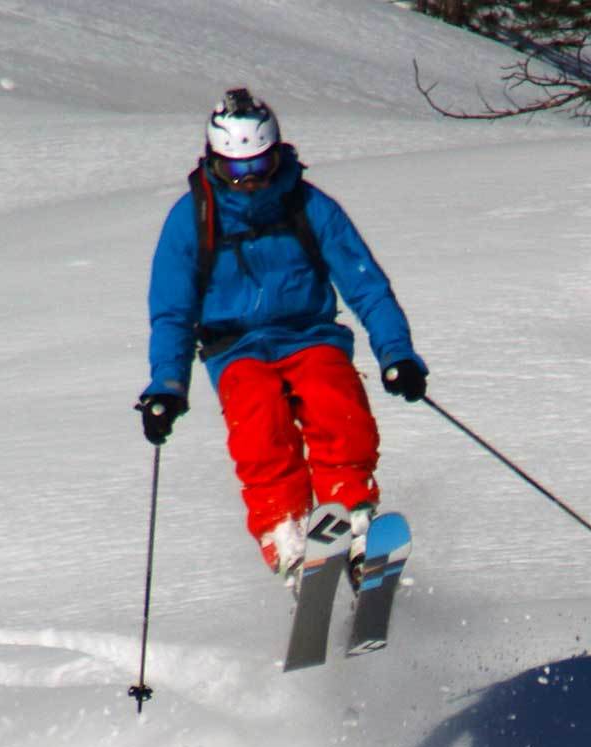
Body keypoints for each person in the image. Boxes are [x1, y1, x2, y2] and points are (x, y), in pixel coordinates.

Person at [135, 87, 427, 580]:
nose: (248, 182)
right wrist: (167, 386)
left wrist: (397, 354)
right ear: (214, 163)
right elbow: (171, 312)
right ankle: (287, 535)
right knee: (258, 424)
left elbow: (366, 286)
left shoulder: (310, 207)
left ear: (276, 157)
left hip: (309, 334)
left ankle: (353, 517)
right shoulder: (191, 220)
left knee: (334, 398)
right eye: (236, 170)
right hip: (235, 348)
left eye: (258, 167)